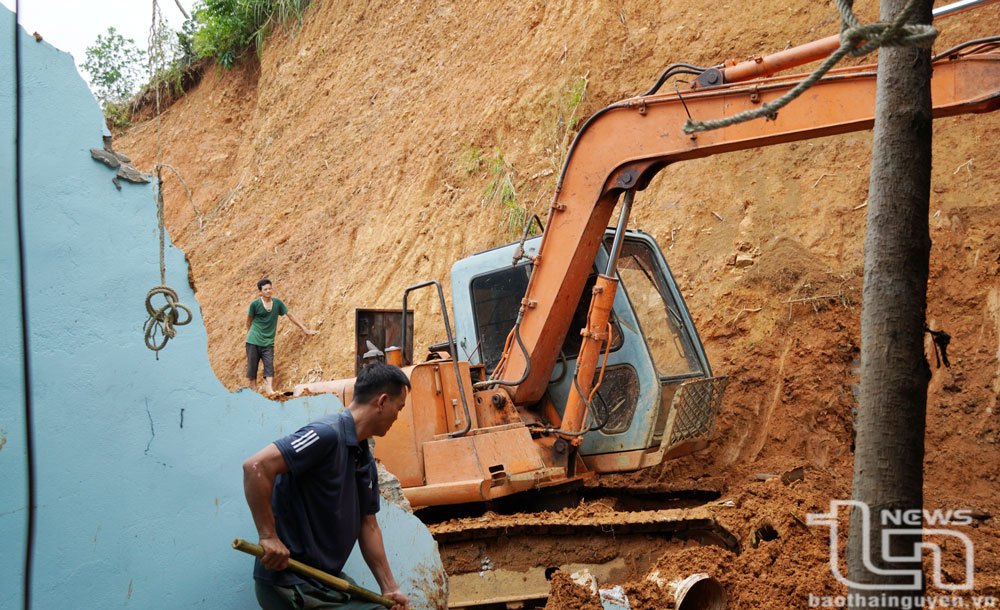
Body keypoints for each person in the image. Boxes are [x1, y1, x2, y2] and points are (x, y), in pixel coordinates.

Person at [243, 362, 412, 610]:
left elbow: (369, 525)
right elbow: (256, 467)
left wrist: (389, 587)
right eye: (399, 408)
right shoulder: (326, 434)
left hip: (324, 581)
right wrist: (268, 536)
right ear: (382, 401)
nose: (397, 417)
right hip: (290, 582)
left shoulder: (363, 456)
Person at [246, 278, 318, 394]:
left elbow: (290, 315)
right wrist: (251, 334)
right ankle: (253, 392)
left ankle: (269, 389)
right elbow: (248, 321)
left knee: (269, 365)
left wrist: (304, 328)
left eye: (270, 288)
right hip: (253, 340)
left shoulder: (277, 303)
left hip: (268, 341)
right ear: (260, 292)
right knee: (252, 368)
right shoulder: (255, 305)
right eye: (265, 289)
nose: (268, 291)